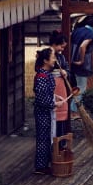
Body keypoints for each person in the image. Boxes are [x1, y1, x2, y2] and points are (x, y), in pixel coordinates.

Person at [70, 15, 93, 113]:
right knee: (81, 88)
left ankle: (76, 109)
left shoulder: (77, 30)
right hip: (81, 65)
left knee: (77, 85)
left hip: (72, 61)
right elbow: (83, 46)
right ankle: (74, 110)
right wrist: (81, 60)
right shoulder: (90, 33)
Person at [33, 47, 57, 175]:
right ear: (46, 60)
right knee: (43, 138)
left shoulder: (47, 73)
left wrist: (55, 99)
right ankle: (40, 166)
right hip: (43, 111)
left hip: (47, 110)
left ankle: (46, 162)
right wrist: (53, 103)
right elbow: (42, 98)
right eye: (53, 57)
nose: (55, 60)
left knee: (48, 137)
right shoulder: (42, 76)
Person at [49, 31, 71, 139]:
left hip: (61, 86)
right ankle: (52, 141)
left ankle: (61, 140)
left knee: (62, 110)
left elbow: (67, 68)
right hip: (51, 86)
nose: (62, 50)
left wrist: (66, 73)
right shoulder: (46, 54)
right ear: (54, 43)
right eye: (61, 47)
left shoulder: (61, 57)